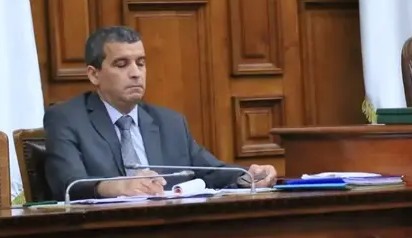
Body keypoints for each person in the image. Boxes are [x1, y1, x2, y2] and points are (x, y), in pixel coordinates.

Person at [43, 26, 278, 201]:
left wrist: (249, 176)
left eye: (141, 63)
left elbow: (211, 172)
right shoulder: (66, 119)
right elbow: (68, 184)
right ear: (94, 75)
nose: (136, 73)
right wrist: (116, 187)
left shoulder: (170, 122)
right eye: (122, 64)